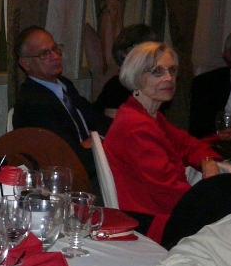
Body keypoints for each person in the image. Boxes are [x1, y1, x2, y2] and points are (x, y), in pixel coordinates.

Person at [102, 42, 219, 243]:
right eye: (157, 71)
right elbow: (169, 192)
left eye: (172, 70)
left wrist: (207, 160)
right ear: (137, 77)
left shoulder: (149, 116)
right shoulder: (135, 125)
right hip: (151, 224)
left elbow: (189, 144)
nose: (168, 78)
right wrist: (210, 196)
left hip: (164, 213)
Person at [11, 26, 111, 185]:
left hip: (95, 166)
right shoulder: (33, 103)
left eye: (55, 49)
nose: (55, 56)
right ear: (26, 64)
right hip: (71, 183)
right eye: (45, 53)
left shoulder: (64, 85)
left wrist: (96, 140)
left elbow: (99, 120)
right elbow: (67, 157)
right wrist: (97, 143)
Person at [92, 23, 158, 117]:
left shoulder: (155, 83)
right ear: (124, 53)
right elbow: (114, 127)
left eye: (150, 47)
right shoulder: (117, 87)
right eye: (139, 46)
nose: (145, 53)